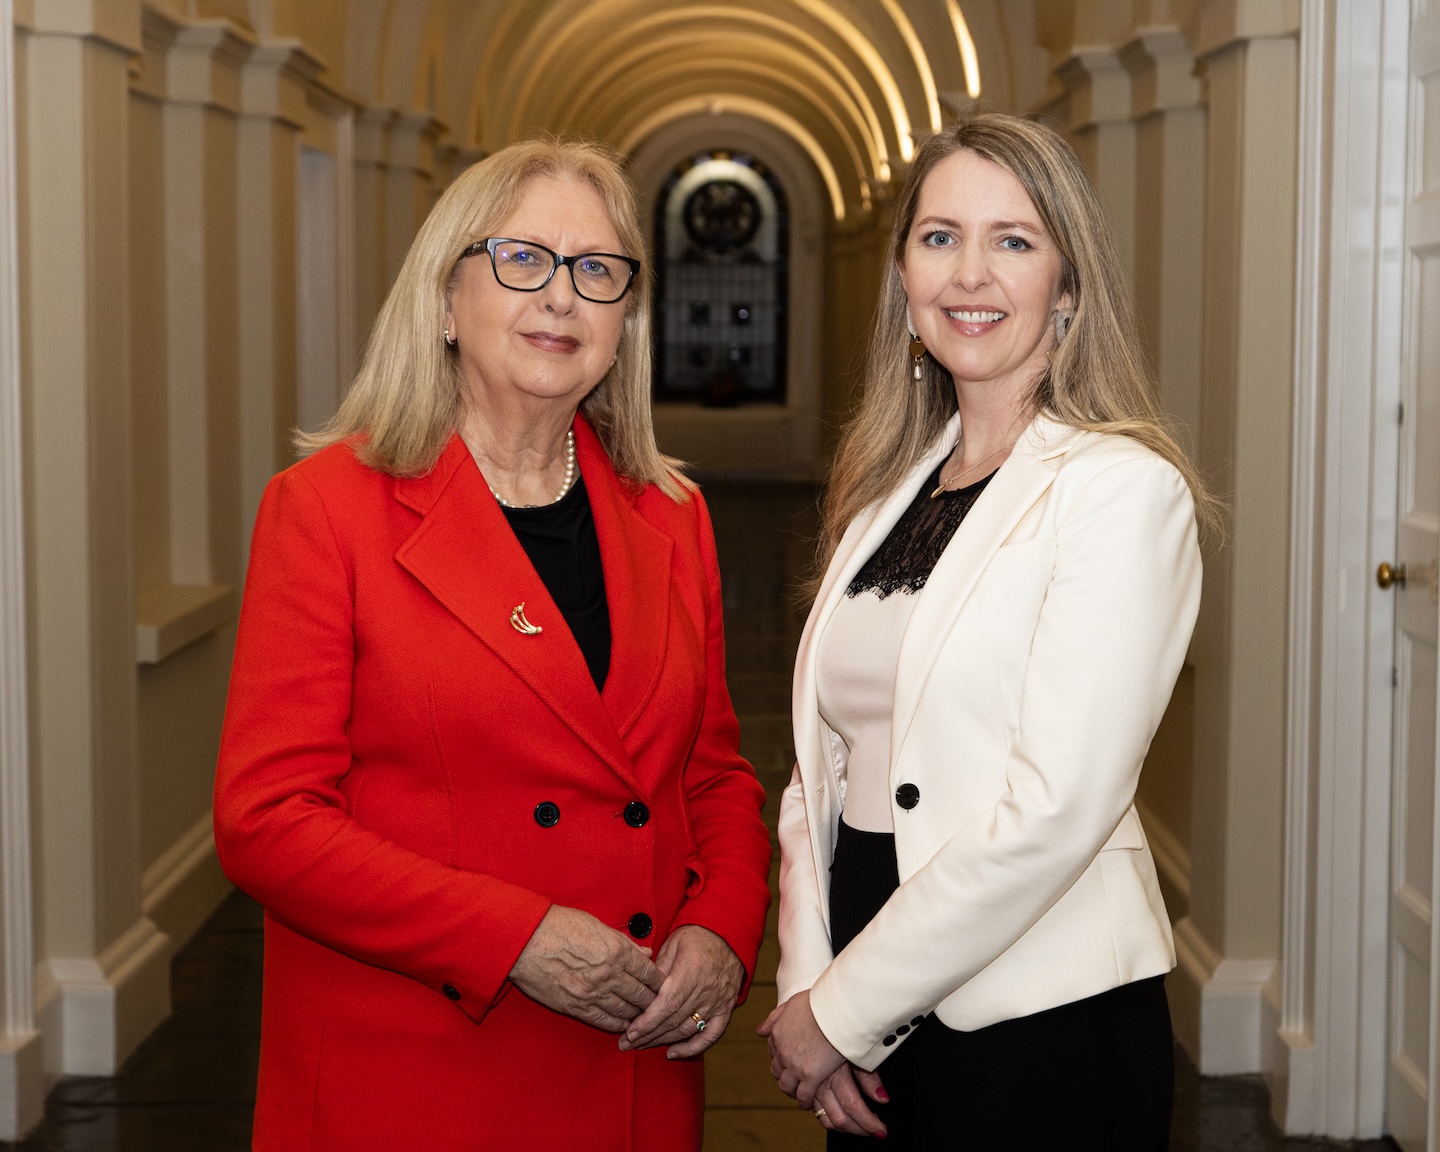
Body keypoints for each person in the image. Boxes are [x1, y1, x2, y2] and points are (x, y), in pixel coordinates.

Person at [213, 137, 772, 1152]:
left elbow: (714, 777)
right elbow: (267, 818)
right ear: (443, 300)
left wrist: (723, 931)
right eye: (521, 259)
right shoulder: (327, 510)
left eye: (596, 270)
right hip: (416, 1073)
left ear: (624, 320)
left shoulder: (670, 515)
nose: (561, 296)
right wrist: (513, 937)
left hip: (631, 1067)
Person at [760, 113, 1213, 1150]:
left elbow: (1058, 809)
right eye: (940, 237)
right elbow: (818, 767)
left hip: (1037, 1017)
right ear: (903, 276)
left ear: (1068, 285)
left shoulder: (1119, 493)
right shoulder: (887, 491)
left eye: (1013, 240)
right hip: (864, 978)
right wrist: (808, 983)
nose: (970, 273)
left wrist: (840, 1012)